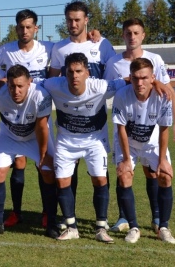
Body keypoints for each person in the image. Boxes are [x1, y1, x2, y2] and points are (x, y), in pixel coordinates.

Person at [104, 18, 175, 233]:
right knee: (124, 172)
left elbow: (168, 91)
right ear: (123, 35)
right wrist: (127, 82)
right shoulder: (113, 63)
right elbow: (108, 91)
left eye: (136, 33)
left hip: (150, 127)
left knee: (153, 172)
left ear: (143, 35)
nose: (132, 37)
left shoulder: (154, 59)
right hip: (125, 124)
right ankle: (124, 218)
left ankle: (157, 217)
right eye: (128, 33)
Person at [41, 52, 129, 243]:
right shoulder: (53, 85)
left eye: (79, 71)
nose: (74, 76)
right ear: (64, 73)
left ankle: (100, 227)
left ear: (87, 73)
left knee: (99, 180)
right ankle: (71, 227)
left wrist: (157, 84)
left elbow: (128, 80)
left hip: (94, 141)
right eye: (70, 72)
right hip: (66, 141)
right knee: (63, 181)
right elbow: (30, 82)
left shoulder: (101, 86)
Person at [48, 0, 116, 227]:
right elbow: (54, 80)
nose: (73, 24)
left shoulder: (103, 44)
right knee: (68, 170)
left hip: (95, 117)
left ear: (87, 20)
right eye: (69, 19)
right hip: (69, 120)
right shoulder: (59, 48)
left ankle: (102, 220)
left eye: (78, 19)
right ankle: (69, 217)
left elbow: (114, 72)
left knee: (98, 172)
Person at [0, 9, 56, 232]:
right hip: (14, 119)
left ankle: (48, 215)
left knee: (45, 167)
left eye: (29, 27)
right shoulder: (5, 51)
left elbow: (72, 46)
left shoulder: (48, 48)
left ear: (36, 28)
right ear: (16, 28)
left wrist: (93, 35)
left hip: (38, 113)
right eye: (21, 27)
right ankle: (13, 214)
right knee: (14, 165)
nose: (25, 30)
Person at [0, 64, 55, 238]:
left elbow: (42, 127)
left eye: (20, 86)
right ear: (7, 84)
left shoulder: (41, 95)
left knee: (47, 172)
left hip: (35, 138)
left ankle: (51, 222)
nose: (16, 90)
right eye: (12, 86)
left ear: (29, 83)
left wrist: (44, 155)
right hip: (9, 137)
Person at [111, 58, 175, 244]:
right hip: (128, 144)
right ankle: (133, 227)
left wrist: (162, 159)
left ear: (152, 78)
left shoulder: (163, 96)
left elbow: (164, 129)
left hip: (152, 143)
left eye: (144, 78)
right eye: (135, 78)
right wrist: (124, 159)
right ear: (130, 77)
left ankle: (163, 227)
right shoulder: (122, 95)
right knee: (124, 176)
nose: (140, 83)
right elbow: (121, 129)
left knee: (165, 175)